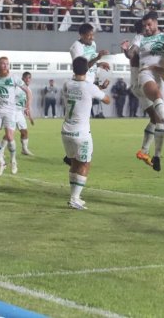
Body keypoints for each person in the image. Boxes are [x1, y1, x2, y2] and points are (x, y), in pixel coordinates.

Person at [122, 11, 164, 171]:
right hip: (142, 79)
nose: (146, 28)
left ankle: (154, 155)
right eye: (144, 26)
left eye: (148, 25)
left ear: (155, 23)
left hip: (161, 76)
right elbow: (132, 54)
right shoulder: (140, 39)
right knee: (158, 114)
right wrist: (126, 51)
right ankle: (146, 149)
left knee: (157, 117)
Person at [62, 56, 110, 210]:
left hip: (66, 131)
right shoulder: (90, 87)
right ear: (87, 70)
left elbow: (81, 95)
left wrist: (96, 89)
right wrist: (101, 89)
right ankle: (74, 198)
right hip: (81, 133)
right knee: (85, 164)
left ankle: (74, 196)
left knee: (75, 163)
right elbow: (107, 100)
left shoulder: (67, 84)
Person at [0, 56, 32, 176]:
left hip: (10, 112)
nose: (5, 65)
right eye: (2, 63)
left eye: (7, 63)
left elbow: (28, 91)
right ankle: (2, 162)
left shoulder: (14, 78)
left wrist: (27, 106)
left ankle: (13, 160)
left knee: (10, 137)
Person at [0, 72, 35, 157]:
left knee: (25, 131)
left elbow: (27, 105)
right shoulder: (16, 87)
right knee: (10, 133)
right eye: (26, 78)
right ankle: (0, 150)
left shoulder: (28, 90)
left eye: (29, 78)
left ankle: (24, 149)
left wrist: (30, 117)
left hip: (19, 113)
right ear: (22, 79)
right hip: (11, 112)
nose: (28, 79)